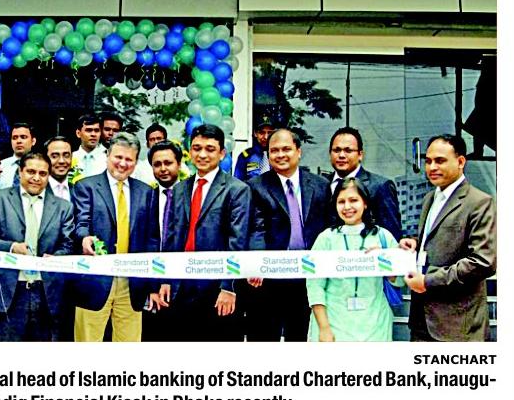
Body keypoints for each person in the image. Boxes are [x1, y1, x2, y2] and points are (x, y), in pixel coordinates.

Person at [157, 124, 251, 342]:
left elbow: (238, 242)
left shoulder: (237, 190)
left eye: (210, 149)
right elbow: (171, 237)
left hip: (216, 287)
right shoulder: (179, 189)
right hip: (181, 285)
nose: (202, 154)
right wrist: (165, 279)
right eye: (197, 148)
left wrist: (229, 287)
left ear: (222, 153)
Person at [401, 134, 496, 341]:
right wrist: (415, 243)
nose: (432, 167)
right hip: (421, 319)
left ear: (461, 162)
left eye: (440, 161)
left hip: (457, 326)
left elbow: (483, 262)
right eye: (428, 161)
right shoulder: (429, 198)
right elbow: (437, 239)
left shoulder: (479, 202)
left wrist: (428, 281)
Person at [72, 132, 159, 342]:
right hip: (95, 279)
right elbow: (80, 223)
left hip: (132, 283)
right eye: (118, 157)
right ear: (107, 156)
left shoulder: (146, 192)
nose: (122, 163)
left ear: (136, 162)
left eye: (129, 159)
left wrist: (152, 285)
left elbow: (152, 240)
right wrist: (84, 238)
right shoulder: (86, 186)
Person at [247, 128, 330, 341]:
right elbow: (256, 228)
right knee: (264, 339)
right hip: (270, 278)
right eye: (274, 150)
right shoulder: (256, 187)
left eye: (286, 149)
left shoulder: (321, 186)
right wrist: (257, 262)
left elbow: (329, 229)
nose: (280, 155)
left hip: (308, 277)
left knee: (302, 339)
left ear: (298, 151)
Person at [0, 151, 75, 341]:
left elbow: (68, 243)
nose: (36, 178)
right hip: (9, 289)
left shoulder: (63, 207)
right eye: (31, 172)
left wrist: (56, 258)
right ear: (20, 172)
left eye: (42, 173)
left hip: (46, 291)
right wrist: (12, 247)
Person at [307, 178, 402, 341]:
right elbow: (315, 286)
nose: (347, 207)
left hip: (375, 323)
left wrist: (385, 262)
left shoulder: (383, 236)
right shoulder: (326, 238)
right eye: (341, 202)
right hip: (333, 322)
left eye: (353, 200)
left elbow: (400, 280)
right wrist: (324, 328)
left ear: (365, 203)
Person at [328, 126, 402, 239]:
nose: (341, 155)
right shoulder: (322, 185)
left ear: (360, 155)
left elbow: (392, 234)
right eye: (336, 150)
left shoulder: (380, 186)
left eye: (348, 150)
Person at [141, 139, 181, 341]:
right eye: (157, 164)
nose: (163, 169)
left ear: (179, 164)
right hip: (153, 290)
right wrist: (151, 287)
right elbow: (143, 245)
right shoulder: (146, 198)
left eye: (168, 163)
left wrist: (171, 280)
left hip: (185, 288)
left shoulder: (191, 196)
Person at [233, 116, 275, 182]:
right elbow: (237, 181)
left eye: (269, 133)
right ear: (255, 133)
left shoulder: (277, 155)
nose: (266, 137)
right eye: (262, 133)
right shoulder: (246, 155)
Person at [0, 123, 36, 189]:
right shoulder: (0, 166)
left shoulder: (41, 166)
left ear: (33, 141)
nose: (18, 141)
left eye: (23, 137)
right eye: (14, 138)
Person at [72, 113, 107, 178]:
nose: (93, 134)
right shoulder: (70, 159)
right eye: (88, 130)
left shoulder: (108, 160)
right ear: (78, 133)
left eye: (97, 130)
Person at [45, 136, 75, 202]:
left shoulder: (78, 190)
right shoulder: (39, 190)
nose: (61, 161)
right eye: (54, 156)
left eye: (66, 156)